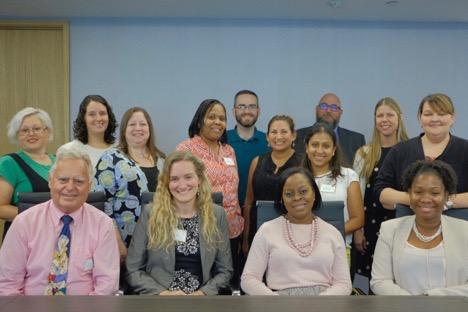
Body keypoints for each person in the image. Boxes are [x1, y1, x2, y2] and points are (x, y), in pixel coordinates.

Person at [0, 146, 119, 295]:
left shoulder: (103, 224)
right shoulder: (24, 222)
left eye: (79, 181)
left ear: (89, 187)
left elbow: (106, 286)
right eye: (63, 179)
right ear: (50, 182)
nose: (70, 187)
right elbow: (7, 285)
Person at [126, 151, 232, 295]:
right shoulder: (150, 214)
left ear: (199, 179)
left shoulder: (216, 214)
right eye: (174, 179)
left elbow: (225, 270)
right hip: (160, 297)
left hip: (202, 299)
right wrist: (164, 294)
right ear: (166, 183)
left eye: (188, 177)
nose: (182, 185)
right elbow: (133, 269)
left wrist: (202, 294)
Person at [241, 167, 352, 295]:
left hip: (324, 302)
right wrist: (273, 300)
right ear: (282, 199)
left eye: (303, 191)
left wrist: (320, 303)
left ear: (314, 193)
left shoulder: (333, 233)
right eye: (289, 194)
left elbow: (344, 284)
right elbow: (248, 278)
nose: (297, 198)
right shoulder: (266, 230)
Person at [371, 160, 468, 296]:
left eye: (434, 193)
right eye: (418, 192)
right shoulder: (390, 229)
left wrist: (431, 297)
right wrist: (413, 305)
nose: (426, 199)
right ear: (409, 194)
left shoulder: (465, 231)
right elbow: (380, 281)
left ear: (446, 196)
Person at [176, 99, 243, 288]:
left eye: (222, 118)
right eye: (211, 116)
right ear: (199, 121)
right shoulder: (186, 149)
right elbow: (178, 189)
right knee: (203, 283)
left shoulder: (229, 151)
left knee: (227, 283)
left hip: (231, 229)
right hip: (200, 229)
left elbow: (234, 188)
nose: (218, 122)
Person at [94, 107, 166, 260]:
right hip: (124, 241)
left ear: (149, 128)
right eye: (132, 124)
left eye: (143, 124)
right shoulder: (110, 159)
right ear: (124, 129)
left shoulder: (162, 159)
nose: (138, 128)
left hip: (159, 242)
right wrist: (116, 241)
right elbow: (103, 204)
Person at [375, 93, 468, 211]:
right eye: (428, 114)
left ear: (452, 118)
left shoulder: (465, 150)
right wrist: (417, 199)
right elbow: (382, 191)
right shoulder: (400, 150)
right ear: (420, 118)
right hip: (408, 226)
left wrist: (446, 201)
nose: (435, 119)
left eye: (441, 113)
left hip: (458, 227)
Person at [352, 98, 409, 283]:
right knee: (365, 282)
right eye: (380, 115)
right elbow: (357, 196)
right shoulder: (364, 153)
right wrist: (357, 230)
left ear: (400, 118)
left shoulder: (411, 151)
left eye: (390, 115)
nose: (384, 119)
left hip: (401, 226)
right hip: (368, 227)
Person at [303, 122, 364, 257]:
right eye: (314, 145)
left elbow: (358, 219)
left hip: (337, 249)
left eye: (326, 146)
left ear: (334, 149)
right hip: (301, 249)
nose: (319, 150)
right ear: (307, 148)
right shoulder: (296, 178)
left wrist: (325, 234)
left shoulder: (348, 176)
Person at [242, 115, 301, 254]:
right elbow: (249, 202)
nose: (278, 136)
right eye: (273, 132)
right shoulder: (257, 162)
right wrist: (245, 239)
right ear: (267, 137)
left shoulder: (303, 163)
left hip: (291, 234)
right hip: (258, 232)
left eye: (284, 132)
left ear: (293, 135)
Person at [0, 107, 55, 236]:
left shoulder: (60, 161)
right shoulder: (8, 163)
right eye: (24, 130)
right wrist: (41, 217)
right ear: (17, 135)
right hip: (23, 236)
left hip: (56, 235)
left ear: (46, 132)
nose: (31, 134)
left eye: (36, 129)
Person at [295, 93, 365, 166]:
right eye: (323, 106)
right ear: (316, 109)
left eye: (334, 107)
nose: (328, 110)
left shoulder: (357, 140)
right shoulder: (298, 136)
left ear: (340, 113)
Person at [227, 90, 269, 207]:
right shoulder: (221, 140)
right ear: (234, 111)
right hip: (227, 212)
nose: (247, 111)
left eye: (252, 106)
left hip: (260, 211)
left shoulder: (270, 142)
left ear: (258, 111)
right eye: (241, 106)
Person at [62, 95, 118, 168]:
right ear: (83, 118)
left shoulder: (120, 149)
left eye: (102, 113)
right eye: (92, 114)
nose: (98, 118)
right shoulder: (69, 150)